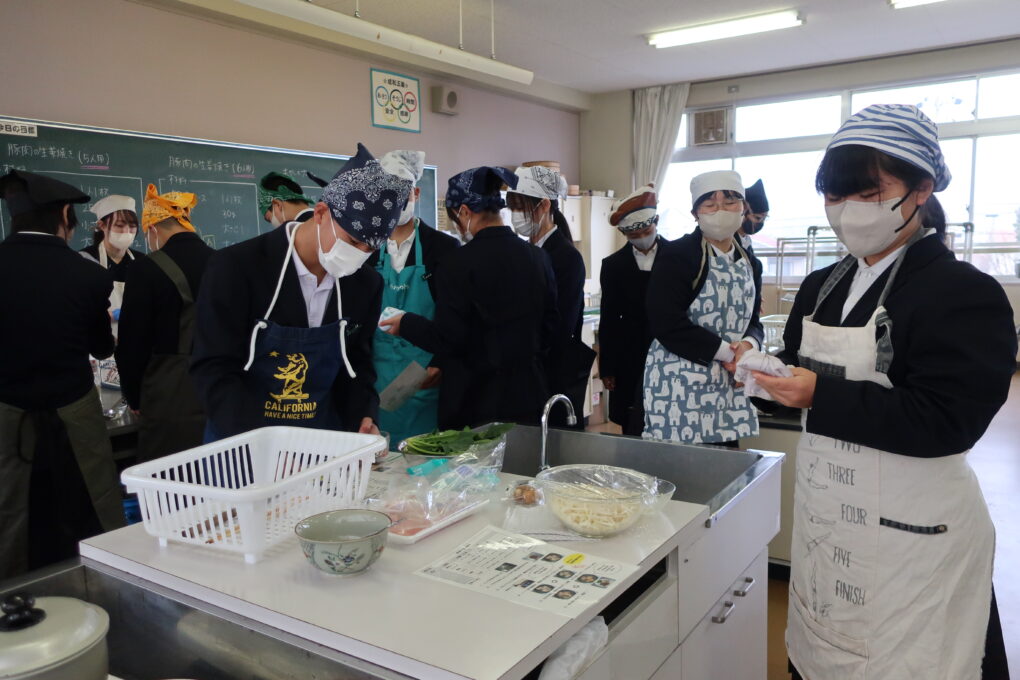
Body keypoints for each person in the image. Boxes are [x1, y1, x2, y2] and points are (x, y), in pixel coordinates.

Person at [753, 104, 1015, 680]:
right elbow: (798, 371)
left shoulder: (962, 292)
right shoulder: (821, 287)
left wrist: (819, 395)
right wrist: (765, 382)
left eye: (869, 193)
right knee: (823, 652)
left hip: (914, 531)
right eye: (835, 195)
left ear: (922, 190)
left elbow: (948, 421)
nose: (849, 210)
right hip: (830, 519)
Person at [192, 144, 411, 439]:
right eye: (352, 241)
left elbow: (357, 365)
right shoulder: (236, 268)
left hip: (322, 440)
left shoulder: (365, 284)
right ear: (320, 213)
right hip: (243, 438)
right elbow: (213, 367)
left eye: (371, 248)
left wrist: (364, 415)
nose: (360, 254)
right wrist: (264, 445)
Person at [0, 170, 124, 579]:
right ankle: (107, 580)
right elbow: (102, 348)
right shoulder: (88, 274)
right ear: (65, 214)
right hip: (75, 414)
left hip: (6, 416)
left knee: (9, 508)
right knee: (94, 501)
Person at [379, 166, 557, 429]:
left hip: (476, 398)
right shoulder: (538, 257)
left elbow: (449, 339)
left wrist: (405, 323)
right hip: (528, 393)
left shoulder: (457, 263)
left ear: (464, 211)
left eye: (455, 217)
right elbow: (550, 328)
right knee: (523, 456)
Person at [642, 170, 764, 445]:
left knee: (728, 461)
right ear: (695, 213)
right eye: (710, 204)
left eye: (730, 202)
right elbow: (666, 322)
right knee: (683, 465)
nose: (720, 210)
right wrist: (728, 353)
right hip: (681, 383)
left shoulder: (751, 263)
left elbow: (754, 320)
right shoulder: (677, 256)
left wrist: (748, 346)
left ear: (743, 208)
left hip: (730, 381)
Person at [365, 150, 459, 444]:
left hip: (425, 379)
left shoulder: (443, 249)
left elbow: (456, 319)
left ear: (415, 193)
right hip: (377, 378)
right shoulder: (364, 249)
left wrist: (441, 363)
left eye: (401, 193)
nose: (393, 201)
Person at [116, 184, 214, 462]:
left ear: (153, 228)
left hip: (169, 397)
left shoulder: (145, 268)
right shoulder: (222, 261)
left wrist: (134, 397)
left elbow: (132, 343)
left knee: (170, 473)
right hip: (217, 387)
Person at [507, 165, 593, 426]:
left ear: (544, 205)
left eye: (520, 208)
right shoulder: (520, 253)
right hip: (523, 373)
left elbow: (560, 325)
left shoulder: (567, 258)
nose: (515, 216)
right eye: (512, 209)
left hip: (553, 372)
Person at [599, 184, 667, 435]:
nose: (641, 238)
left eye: (646, 231)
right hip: (629, 355)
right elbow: (608, 318)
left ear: (656, 222)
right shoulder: (613, 265)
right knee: (632, 423)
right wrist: (607, 367)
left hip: (668, 351)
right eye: (633, 235)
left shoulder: (677, 257)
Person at [80, 195, 144, 331]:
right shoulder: (85, 259)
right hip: (98, 339)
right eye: (119, 225)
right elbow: (79, 309)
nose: (127, 232)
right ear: (101, 225)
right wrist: (113, 315)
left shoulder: (142, 262)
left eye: (132, 226)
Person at [739, 179, 768, 251]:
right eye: (758, 218)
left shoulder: (747, 241)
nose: (761, 223)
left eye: (764, 219)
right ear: (743, 212)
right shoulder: (728, 242)